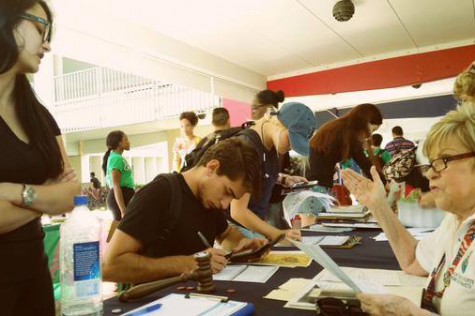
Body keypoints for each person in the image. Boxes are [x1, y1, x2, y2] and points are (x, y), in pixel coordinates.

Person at [341, 104, 475, 315]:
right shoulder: (455, 220)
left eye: (444, 160)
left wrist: (412, 313)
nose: (430, 174)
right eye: (430, 164)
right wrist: (378, 206)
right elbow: (413, 260)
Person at [0, 1, 81, 315]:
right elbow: (58, 196)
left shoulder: (38, 115)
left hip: (34, 279)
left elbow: (72, 194)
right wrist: (47, 196)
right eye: (39, 28)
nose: (47, 44)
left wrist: (15, 192)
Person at [102, 139, 267, 283]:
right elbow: (109, 267)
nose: (225, 205)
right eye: (227, 192)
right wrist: (186, 263)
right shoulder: (159, 193)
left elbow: (225, 235)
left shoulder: (209, 200)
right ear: (212, 167)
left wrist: (241, 244)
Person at [230, 102, 316, 240]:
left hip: (253, 222)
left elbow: (258, 171)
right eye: (291, 139)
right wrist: (277, 234)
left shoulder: (270, 143)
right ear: (277, 123)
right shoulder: (247, 147)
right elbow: (238, 212)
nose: (292, 147)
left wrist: (283, 178)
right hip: (237, 227)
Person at [308, 103, 384, 193]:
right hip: (321, 187)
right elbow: (365, 164)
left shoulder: (339, 127)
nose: (371, 134)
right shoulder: (348, 134)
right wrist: (385, 184)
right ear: (365, 122)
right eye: (373, 129)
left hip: (317, 184)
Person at [102, 130, 135, 221]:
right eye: (126, 139)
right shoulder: (116, 158)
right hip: (120, 198)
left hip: (124, 195)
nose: (129, 142)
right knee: (120, 230)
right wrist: (123, 210)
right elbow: (116, 185)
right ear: (119, 143)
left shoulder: (118, 158)